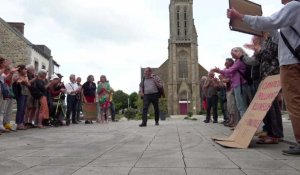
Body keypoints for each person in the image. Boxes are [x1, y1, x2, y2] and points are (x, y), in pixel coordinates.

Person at [227, 0, 300, 155]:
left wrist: (241, 16)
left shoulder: (294, 6)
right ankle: (276, 133)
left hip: (287, 66)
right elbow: (278, 37)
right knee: (290, 103)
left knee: (293, 103)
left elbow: (271, 22)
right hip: (285, 66)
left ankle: (285, 136)